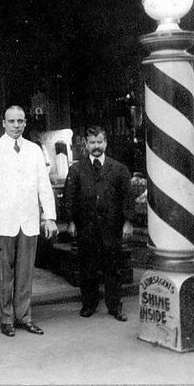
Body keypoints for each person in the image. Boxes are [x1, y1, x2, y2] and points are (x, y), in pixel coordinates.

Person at [0, 105, 58, 337]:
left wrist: (49, 217)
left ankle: (24, 316)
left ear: (25, 123)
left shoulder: (34, 150)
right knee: (3, 273)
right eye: (11, 121)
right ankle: (6, 319)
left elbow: (44, 185)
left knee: (25, 272)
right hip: (0, 221)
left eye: (20, 121)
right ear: (3, 123)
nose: (16, 125)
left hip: (28, 220)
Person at [63, 125, 134, 321]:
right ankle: (89, 304)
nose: (96, 146)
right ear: (86, 144)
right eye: (92, 142)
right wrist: (70, 221)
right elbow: (69, 197)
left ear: (105, 143)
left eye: (99, 142)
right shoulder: (76, 169)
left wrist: (127, 222)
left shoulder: (119, 169)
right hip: (86, 226)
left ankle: (115, 306)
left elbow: (127, 197)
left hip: (112, 227)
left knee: (113, 266)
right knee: (88, 267)